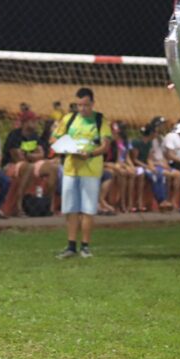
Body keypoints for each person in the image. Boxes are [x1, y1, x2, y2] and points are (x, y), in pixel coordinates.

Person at [52, 87, 111, 259]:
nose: (82, 109)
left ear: (92, 103)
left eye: (85, 105)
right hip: (71, 169)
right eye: (79, 105)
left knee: (87, 209)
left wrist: (90, 153)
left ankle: (85, 246)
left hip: (91, 170)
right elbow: (54, 138)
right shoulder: (69, 119)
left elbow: (105, 146)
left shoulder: (100, 120)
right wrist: (65, 147)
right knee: (71, 209)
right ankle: (71, 246)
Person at [3, 110, 58, 210]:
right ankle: (19, 205)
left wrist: (28, 155)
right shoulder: (15, 135)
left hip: (31, 163)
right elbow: (17, 157)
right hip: (12, 165)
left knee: (53, 168)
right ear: (26, 122)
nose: (36, 123)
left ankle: (49, 205)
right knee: (28, 167)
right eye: (33, 121)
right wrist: (33, 155)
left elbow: (41, 154)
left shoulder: (34, 136)